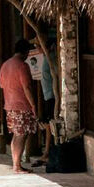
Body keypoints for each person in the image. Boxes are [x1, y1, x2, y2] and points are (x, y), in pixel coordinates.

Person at [0, 39, 37, 174]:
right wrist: (33, 105)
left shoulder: (5, 65)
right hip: (22, 105)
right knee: (21, 134)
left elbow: (1, 84)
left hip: (9, 104)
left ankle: (16, 164)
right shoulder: (22, 66)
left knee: (16, 134)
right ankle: (17, 166)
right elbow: (27, 87)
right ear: (26, 52)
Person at [34, 39, 57, 167]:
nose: (36, 48)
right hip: (48, 94)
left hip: (52, 95)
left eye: (37, 45)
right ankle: (48, 151)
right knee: (47, 123)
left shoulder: (50, 58)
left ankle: (48, 151)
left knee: (49, 124)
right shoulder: (45, 58)